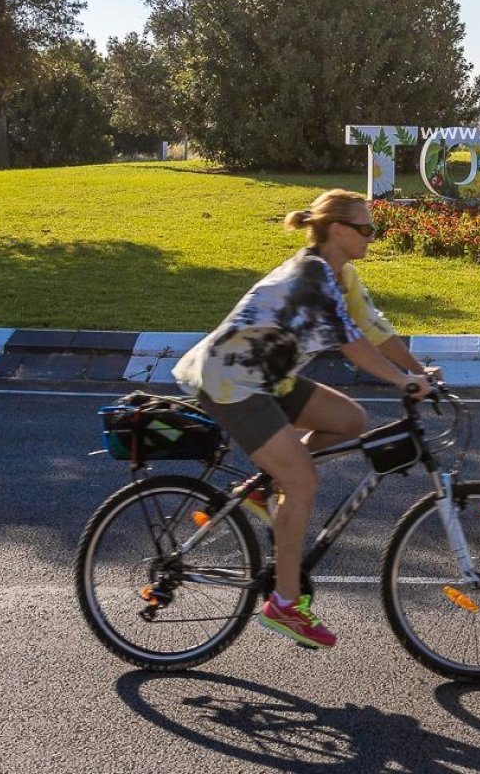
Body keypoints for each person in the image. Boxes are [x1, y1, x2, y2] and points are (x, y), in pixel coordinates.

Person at [173, 187, 432, 650]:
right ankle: (286, 604)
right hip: (232, 380)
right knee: (304, 480)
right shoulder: (314, 275)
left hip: (270, 378)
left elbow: (377, 332)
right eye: (365, 229)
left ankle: (260, 488)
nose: (373, 236)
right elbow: (354, 348)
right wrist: (401, 383)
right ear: (336, 230)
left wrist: (420, 373)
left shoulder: (342, 276)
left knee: (349, 419)